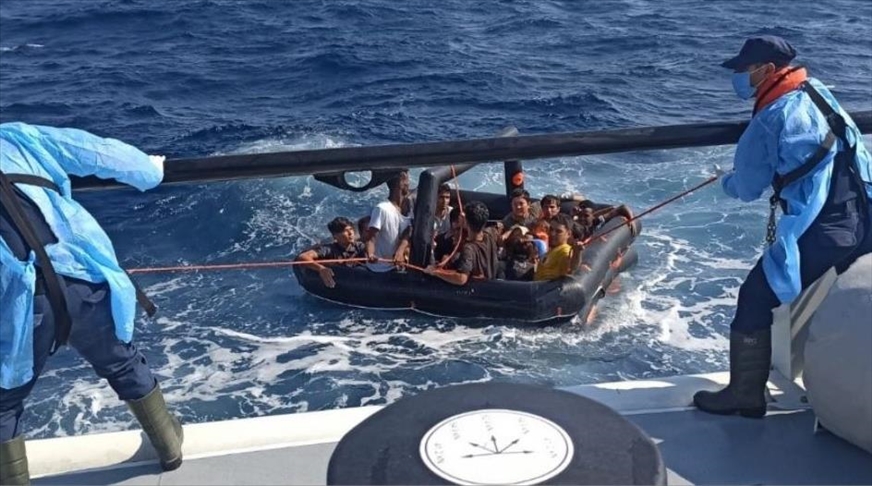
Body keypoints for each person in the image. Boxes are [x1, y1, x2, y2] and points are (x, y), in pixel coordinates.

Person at [693, 36, 872, 419]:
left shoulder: (770, 118)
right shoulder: (818, 92)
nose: (740, 76)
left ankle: (744, 395)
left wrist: (726, 181)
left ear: (768, 70)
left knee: (755, 297)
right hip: (862, 215)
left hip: (826, 227)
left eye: (745, 69)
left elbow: (747, 187)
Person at [0, 122, 184, 484]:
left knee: (4, 402)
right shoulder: (14, 136)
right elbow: (95, 151)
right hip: (79, 275)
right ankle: (169, 447)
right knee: (122, 362)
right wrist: (150, 170)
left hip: (19, 304)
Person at [425, 201, 499, 285]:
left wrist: (436, 272)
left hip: (476, 289)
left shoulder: (469, 248)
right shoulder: (490, 235)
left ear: (466, 222)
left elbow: (461, 278)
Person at [364, 170, 413, 272]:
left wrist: (400, 250)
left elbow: (408, 231)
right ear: (400, 184)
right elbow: (371, 238)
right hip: (380, 270)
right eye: (407, 181)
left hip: (397, 267)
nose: (409, 184)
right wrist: (371, 254)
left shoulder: (409, 208)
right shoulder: (382, 209)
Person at [296, 217, 365, 288]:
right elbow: (302, 257)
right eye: (345, 231)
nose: (350, 233)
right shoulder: (329, 249)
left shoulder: (360, 247)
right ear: (335, 236)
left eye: (351, 229)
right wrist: (321, 269)